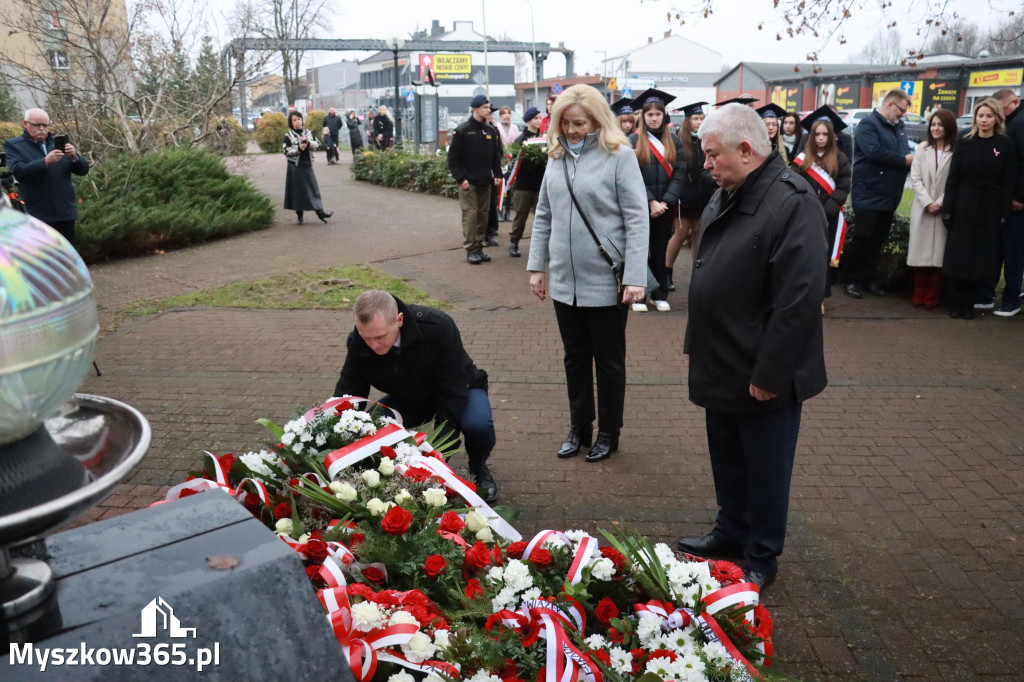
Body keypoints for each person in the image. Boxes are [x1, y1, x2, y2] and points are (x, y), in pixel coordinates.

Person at [677, 103, 827, 593]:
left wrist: (771, 373)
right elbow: (709, 270)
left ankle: (760, 554)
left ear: (746, 150)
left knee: (766, 466)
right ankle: (731, 530)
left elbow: (799, 300)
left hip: (762, 368)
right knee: (728, 456)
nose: (706, 164)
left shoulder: (792, 201)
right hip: (722, 357)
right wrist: (695, 340)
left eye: (712, 154)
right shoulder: (731, 189)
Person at [526, 84, 649, 463]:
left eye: (579, 123)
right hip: (565, 281)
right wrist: (537, 267)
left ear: (596, 120)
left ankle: (609, 432)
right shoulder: (557, 156)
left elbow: (636, 217)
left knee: (609, 362)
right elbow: (544, 213)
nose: (572, 130)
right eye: (565, 123)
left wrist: (636, 276)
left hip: (607, 279)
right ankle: (580, 427)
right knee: (574, 358)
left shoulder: (619, 156)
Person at [333, 290, 498, 502]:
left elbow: (452, 395)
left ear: (399, 320)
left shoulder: (438, 327)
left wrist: (434, 461)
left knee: (477, 425)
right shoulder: (359, 342)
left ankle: (478, 468)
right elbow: (350, 392)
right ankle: (385, 473)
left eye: (379, 337)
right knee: (375, 424)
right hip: (409, 399)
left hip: (459, 390)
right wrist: (335, 438)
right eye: (366, 338)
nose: (373, 346)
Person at [941, 99, 1016, 319]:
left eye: (989, 116)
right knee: (960, 254)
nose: (984, 120)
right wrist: (948, 208)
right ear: (975, 118)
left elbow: (1008, 181)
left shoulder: (1005, 144)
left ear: (997, 119)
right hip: (964, 203)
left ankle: (972, 302)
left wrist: (1003, 213)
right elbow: (953, 179)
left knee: (980, 256)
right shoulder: (964, 142)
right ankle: (957, 300)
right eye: (981, 116)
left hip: (990, 207)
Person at [843, 89, 914, 299]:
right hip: (868, 192)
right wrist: (904, 161)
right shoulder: (867, 125)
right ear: (891, 105)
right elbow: (874, 152)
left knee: (878, 239)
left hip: (889, 194)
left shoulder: (899, 128)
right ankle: (851, 279)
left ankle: (868, 278)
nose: (903, 115)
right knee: (864, 237)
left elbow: (902, 150)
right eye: (901, 110)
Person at [628, 88, 686, 312]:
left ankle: (660, 294)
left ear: (664, 115)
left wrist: (665, 202)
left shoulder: (674, 141)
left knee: (660, 250)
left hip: (665, 207)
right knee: (640, 251)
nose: (654, 118)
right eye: (649, 114)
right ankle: (639, 295)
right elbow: (630, 177)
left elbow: (680, 173)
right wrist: (650, 201)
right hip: (640, 206)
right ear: (642, 116)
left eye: (657, 114)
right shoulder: (632, 140)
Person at [792, 106, 852, 304]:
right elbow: (793, 184)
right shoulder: (801, 160)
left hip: (829, 216)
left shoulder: (841, 159)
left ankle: (820, 298)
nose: (820, 138)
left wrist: (826, 211)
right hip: (804, 216)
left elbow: (843, 188)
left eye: (825, 134)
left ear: (831, 136)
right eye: (816, 134)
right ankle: (800, 294)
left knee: (822, 257)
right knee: (802, 256)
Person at [3, 107, 89, 244]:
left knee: (66, 259)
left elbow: (83, 170)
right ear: (26, 124)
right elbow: (19, 172)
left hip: (64, 213)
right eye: (37, 125)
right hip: (37, 214)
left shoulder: (58, 143)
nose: (42, 128)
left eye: (45, 125)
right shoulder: (14, 146)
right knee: (42, 259)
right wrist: (45, 162)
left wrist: (75, 157)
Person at [907, 109, 956, 309]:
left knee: (938, 255)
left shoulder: (955, 150)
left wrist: (940, 202)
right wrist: (928, 201)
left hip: (943, 207)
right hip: (923, 207)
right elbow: (916, 178)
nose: (935, 128)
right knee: (920, 254)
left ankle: (933, 296)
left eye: (940, 125)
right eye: (933, 124)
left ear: (948, 127)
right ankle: (919, 293)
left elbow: (954, 180)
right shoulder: (922, 148)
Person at [666, 101, 717, 290]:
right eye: (695, 118)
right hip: (685, 196)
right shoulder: (680, 141)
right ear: (688, 121)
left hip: (702, 195)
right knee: (680, 233)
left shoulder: (706, 139)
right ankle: (667, 272)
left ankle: (698, 273)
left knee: (698, 234)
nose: (699, 122)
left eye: (702, 118)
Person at [448, 94, 503, 264]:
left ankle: (479, 248)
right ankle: (471, 249)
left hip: (485, 181)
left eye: (489, 107)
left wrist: (498, 174)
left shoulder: (491, 131)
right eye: (485, 107)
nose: (489, 110)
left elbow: (495, 156)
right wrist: (461, 178)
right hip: (468, 183)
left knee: (483, 216)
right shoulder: (462, 130)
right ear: (476, 109)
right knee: (471, 216)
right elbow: (453, 157)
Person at [990, 88, 1024, 317]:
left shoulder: (1018, 125)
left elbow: (1020, 165)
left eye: (1001, 109)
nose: (999, 114)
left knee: (1013, 250)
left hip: (1016, 202)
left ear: (1015, 102)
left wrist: (1019, 197)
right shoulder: (1015, 122)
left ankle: (1011, 300)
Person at [507, 106, 546, 258]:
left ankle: (543, 247)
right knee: (521, 216)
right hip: (524, 185)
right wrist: (535, 162)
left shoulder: (543, 139)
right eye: (536, 118)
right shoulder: (521, 140)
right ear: (529, 120)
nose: (538, 121)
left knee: (542, 218)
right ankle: (513, 242)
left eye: (539, 118)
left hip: (539, 184)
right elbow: (517, 164)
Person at [282, 111, 332, 225]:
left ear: (302, 120)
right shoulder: (288, 136)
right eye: (294, 120)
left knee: (313, 188)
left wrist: (308, 144)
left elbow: (318, 144)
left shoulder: (308, 132)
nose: (297, 122)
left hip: (307, 164)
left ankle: (320, 212)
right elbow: (286, 151)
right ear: (291, 122)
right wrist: (299, 149)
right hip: (294, 167)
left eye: (298, 119)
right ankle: (299, 215)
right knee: (297, 192)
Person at [494, 106, 520, 222]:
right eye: (504, 113)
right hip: (501, 161)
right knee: (501, 186)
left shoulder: (515, 127)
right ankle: (499, 211)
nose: (507, 115)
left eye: (508, 113)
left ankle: (508, 211)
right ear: (500, 115)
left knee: (509, 187)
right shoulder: (496, 127)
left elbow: (518, 143)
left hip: (512, 161)